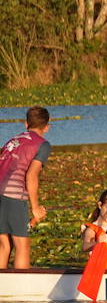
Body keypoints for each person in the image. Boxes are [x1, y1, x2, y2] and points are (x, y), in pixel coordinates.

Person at [0, 106, 52, 269]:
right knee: (22, 246)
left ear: (26, 124)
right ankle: (20, 288)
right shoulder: (42, 145)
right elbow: (31, 175)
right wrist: (35, 207)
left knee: (4, 245)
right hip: (13, 196)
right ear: (47, 126)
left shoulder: (12, 140)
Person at [81, 189, 107, 255]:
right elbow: (85, 246)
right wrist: (98, 242)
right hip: (101, 263)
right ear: (100, 205)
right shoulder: (92, 229)